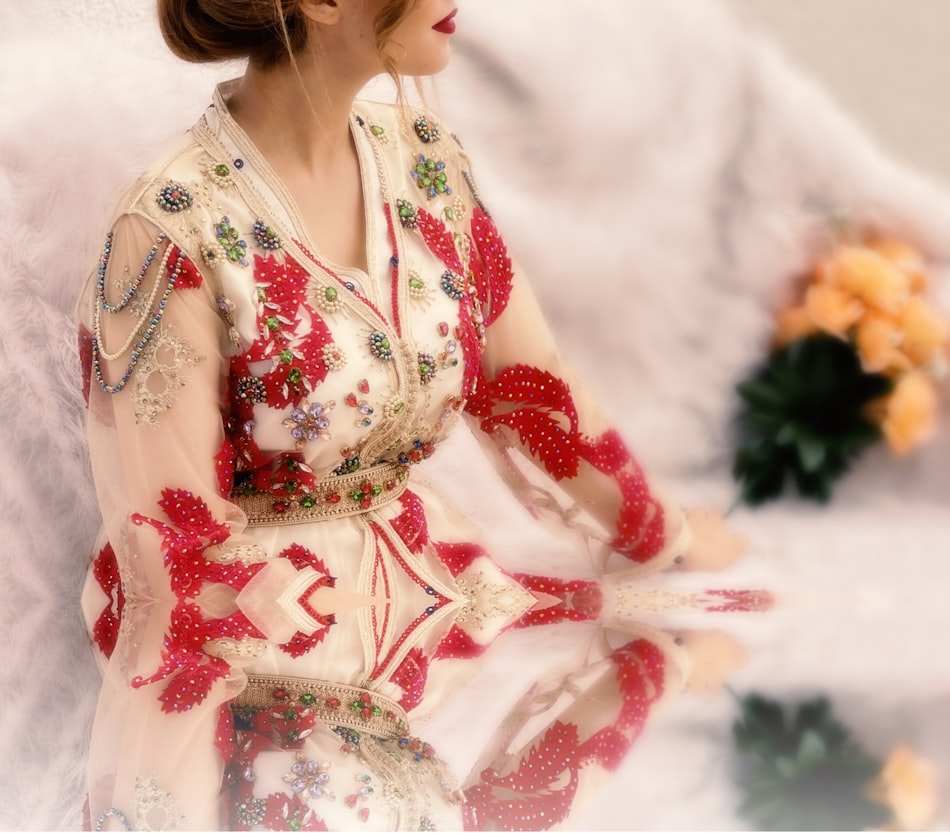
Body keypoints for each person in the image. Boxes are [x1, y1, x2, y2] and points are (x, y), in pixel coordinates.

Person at [76, 0, 767, 828]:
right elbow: (173, 562)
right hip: (263, 700)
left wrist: (662, 540)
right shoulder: (170, 227)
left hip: (440, 655)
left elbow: (527, 388)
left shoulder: (424, 160)